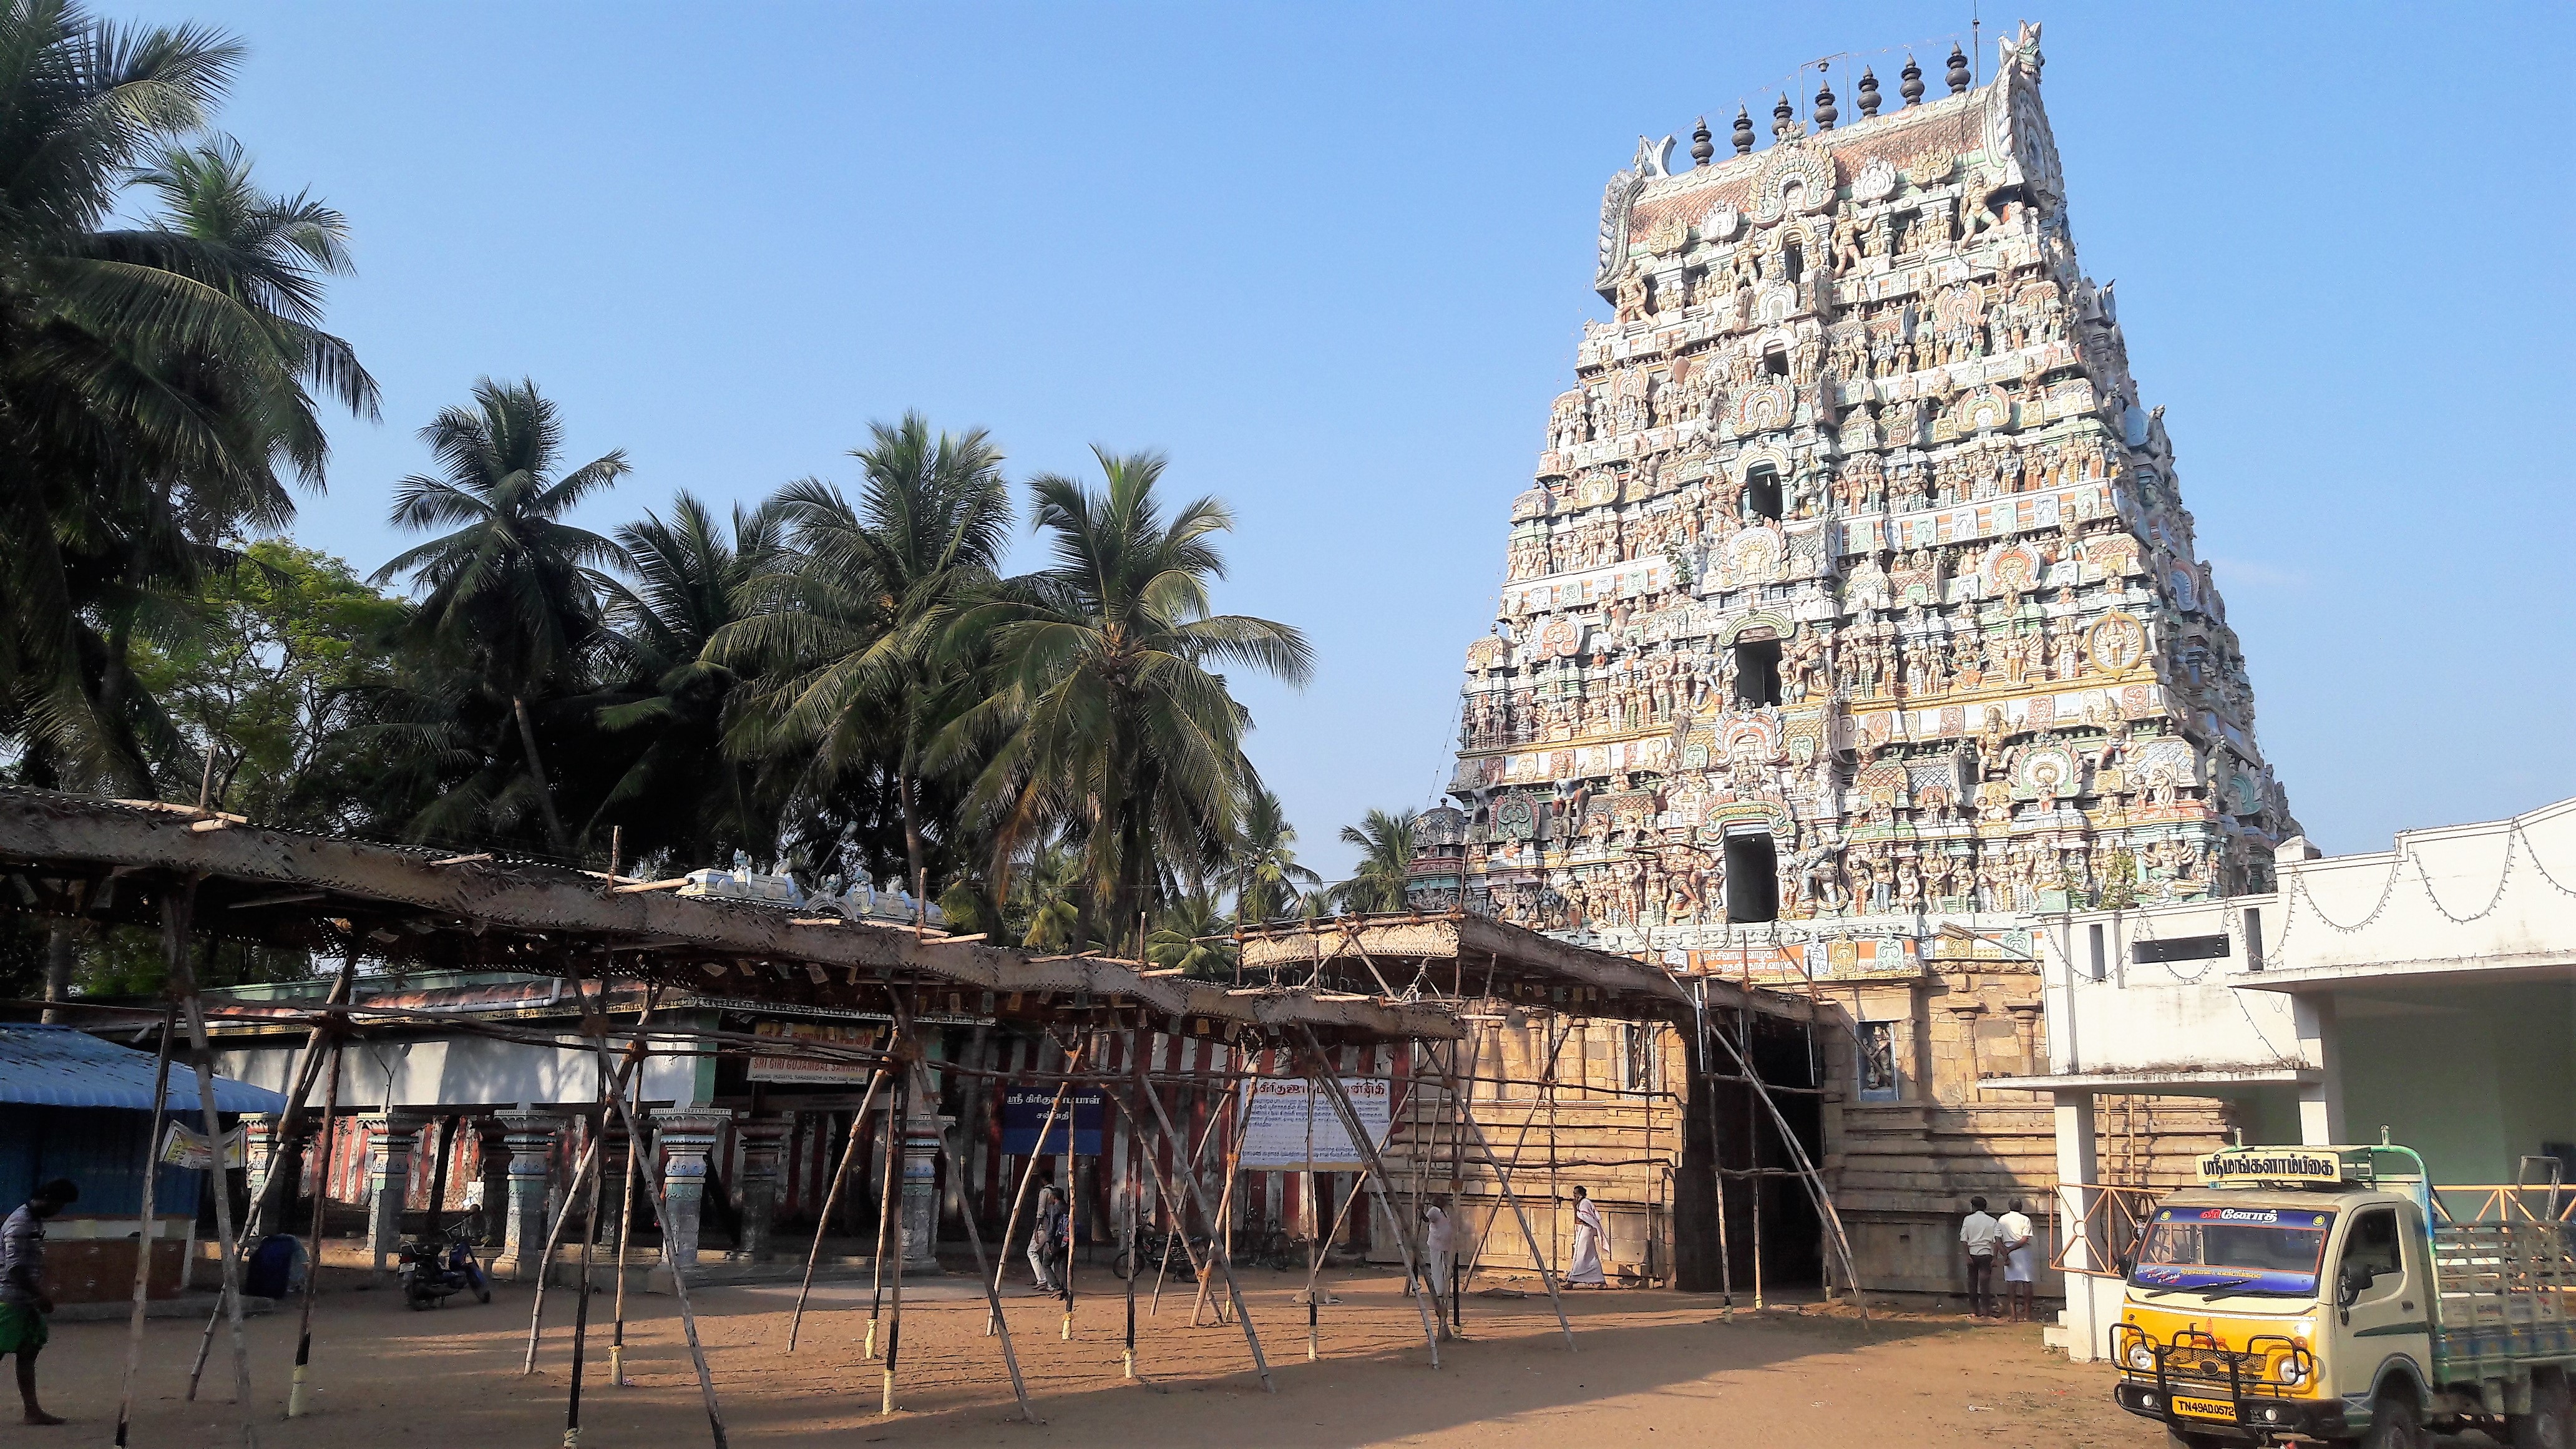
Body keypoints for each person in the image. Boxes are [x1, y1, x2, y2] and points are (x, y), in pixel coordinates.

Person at [3, 1178, 77, 1426]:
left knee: (28, 1351)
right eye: (60, 1205)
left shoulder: (31, 1220)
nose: (60, 1211)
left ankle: (32, 1411)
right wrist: (39, 1295)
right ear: (48, 1199)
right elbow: (15, 1269)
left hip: (22, 1300)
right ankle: (32, 1411)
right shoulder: (21, 1224)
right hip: (11, 1300)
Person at [1959, 1194, 2001, 1319]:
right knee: (1985, 1285)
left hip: (1973, 1253)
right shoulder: (1992, 1221)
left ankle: (1973, 1310)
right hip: (1986, 1254)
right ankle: (1986, 1311)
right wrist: (1995, 1257)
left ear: (1973, 1207)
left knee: (1972, 1284)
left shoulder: (1968, 1219)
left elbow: (1963, 1239)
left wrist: (1967, 1256)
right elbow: (1996, 1241)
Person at [1998, 1198, 2036, 1322]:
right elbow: (2025, 1239)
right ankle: (2028, 1314)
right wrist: (2010, 1250)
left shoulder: (2002, 1219)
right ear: (2021, 1207)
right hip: (2022, 1251)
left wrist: (2006, 1251)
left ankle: (2013, 1314)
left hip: (2007, 1249)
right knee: (2027, 1281)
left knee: (2011, 1282)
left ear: (2009, 1206)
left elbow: (1997, 1239)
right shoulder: (2025, 1219)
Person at [1028, 1178, 1065, 1294]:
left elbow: (1043, 1214)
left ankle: (1044, 1281)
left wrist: (1037, 1229)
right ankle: (1054, 1285)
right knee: (1058, 1262)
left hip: (1048, 1233)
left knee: (1033, 1252)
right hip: (1064, 1238)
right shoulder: (1067, 1207)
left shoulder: (1045, 1194)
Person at [1565, 1186, 1607, 1287]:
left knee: (1579, 1255)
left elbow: (1583, 1218)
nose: (1574, 1196)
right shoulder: (1583, 1203)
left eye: (1576, 1193)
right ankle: (1600, 1280)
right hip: (1583, 1230)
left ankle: (1572, 1280)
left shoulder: (1585, 1203)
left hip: (1585, 1230)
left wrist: (1575, 1207)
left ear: (1581, 1194)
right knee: (1591, 1255)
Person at [1422, 1204, 1455, 1320]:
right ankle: (1439, 1290)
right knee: (1437, 1267)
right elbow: (1426, 1219)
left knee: (1446, 1268)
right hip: (1437, 1245)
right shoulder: (1434, 1210)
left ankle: (1445, 1288)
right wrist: (1421, 1210)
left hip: (1446, 1245)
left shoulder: (1446, 1210)